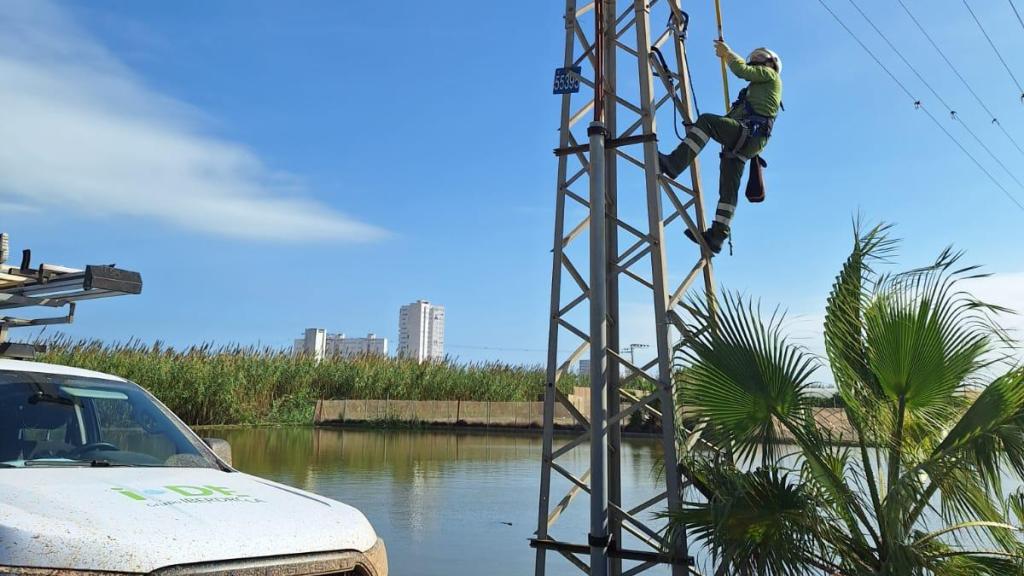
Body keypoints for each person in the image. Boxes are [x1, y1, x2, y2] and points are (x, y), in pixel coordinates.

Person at [658, 41, 783, 254]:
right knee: (728, 189)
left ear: (770, 63)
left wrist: (728, 54)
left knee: (707, 120)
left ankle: (674, 163)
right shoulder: (753, 94)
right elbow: (731, 119)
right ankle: (717, 236)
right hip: (749, 140)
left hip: (748, 134)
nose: (756, 63)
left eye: (759, 60)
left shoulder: (770, 76)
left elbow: (741, 70)